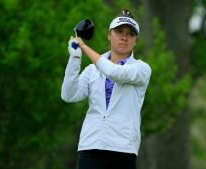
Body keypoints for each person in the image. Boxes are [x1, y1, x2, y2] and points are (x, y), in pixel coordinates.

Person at [61, 9, 151, 169]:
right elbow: (69, 95)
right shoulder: (91, 70)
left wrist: (84, 46)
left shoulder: (141, 69)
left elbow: (114, 72)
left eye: (130, 34)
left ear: (135, 40)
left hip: (123, 149)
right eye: (119, 31)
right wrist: (75, 57)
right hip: (90, 146)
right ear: (110, 35)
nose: (124, 37)